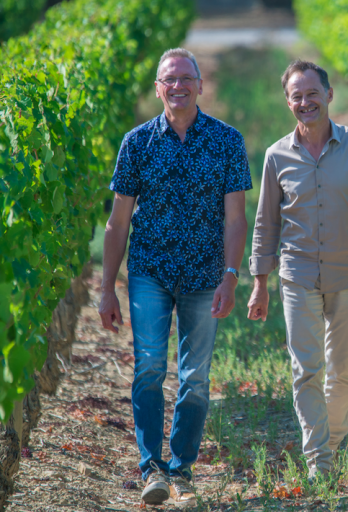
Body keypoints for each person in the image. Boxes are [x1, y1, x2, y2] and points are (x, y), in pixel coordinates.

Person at [98, 48, 251, 505]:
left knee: (195, 377)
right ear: (158, 88)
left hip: (206, 275)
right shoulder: (137, 143)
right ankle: (151, 469)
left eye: (187, 78)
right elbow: (117, 223)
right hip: (149, 272)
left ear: (201, 86)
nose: (178, 86)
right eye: (170, 79)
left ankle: (181, 469)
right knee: (148, 368)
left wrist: (230, 275)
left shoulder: (227, 141)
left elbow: (236, 219)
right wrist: (106, 288)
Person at [247, 60, 348, 479]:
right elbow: (266, 223)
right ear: (288, 102)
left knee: (343, 372)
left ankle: (328, 440)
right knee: (307, 369)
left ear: (329, 96)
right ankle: (320, 461)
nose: (305, 102)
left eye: (313, 93)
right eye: (297, 95)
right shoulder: (276, 156)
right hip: (296, 276)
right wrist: (260, 282)